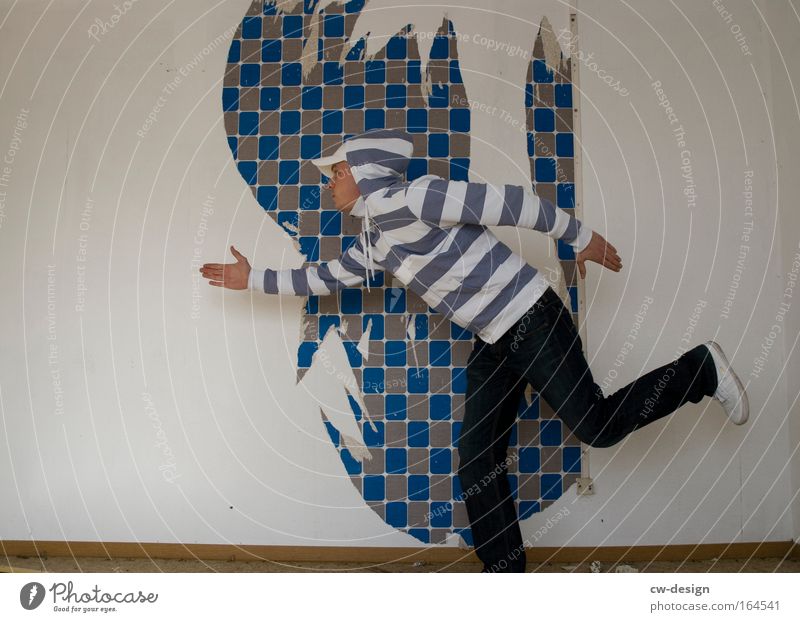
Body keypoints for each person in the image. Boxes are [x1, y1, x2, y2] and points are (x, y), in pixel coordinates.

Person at [200, 127, 749, 572]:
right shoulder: (374, 241)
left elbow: (506, 203)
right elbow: (324, 278)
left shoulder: (418, 196)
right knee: (476, 461)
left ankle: (700, 369)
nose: (331, 183)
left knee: (598, 427)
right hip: (494, 339)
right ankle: (505, 580)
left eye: (337, 172)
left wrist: (574, 235)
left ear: (365, 172)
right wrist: (253, 278)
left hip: (531, 316)